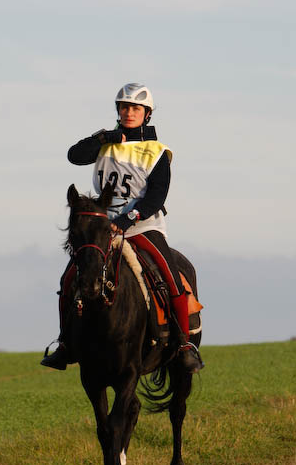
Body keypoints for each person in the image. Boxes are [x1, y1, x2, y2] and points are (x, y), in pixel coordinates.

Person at [41, 82, 204, 374]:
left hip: (144, 225)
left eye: (136, 108)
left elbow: (157, 195)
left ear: (147, 114)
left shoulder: (156, 151)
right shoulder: (106, 142)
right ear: (118, 110)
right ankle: (66, 343)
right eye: (125, 107)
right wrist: (105, 136)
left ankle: (182, 345)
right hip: (102, 226)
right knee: (70, 278)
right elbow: (74, 155)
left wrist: (127, 220)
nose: (129, 112)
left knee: (170, 277)